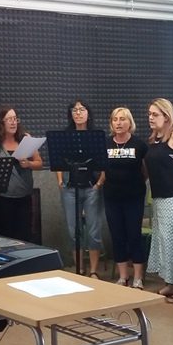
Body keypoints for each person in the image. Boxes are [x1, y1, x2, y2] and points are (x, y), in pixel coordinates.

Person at [145, 98, 173, 303]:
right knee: (163, 241)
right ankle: (171, 281)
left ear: (166, 116)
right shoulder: (154, 139)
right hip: (159, 197)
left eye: (155, 114)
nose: (150, 118)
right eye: (149, 114)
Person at [56, 99, 105, 277]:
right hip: (70, 187)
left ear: (88, 113)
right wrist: (60, 181)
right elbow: (58, 160)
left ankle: (93, 270)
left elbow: (104, 162)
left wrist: (99, 183)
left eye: (82, 109)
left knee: (93, 230)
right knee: (73, 230)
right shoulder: (64, 136)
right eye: (74, 110)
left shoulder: (96, 136)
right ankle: (80, 269)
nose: (78, 112)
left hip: (92, 186)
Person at [0, 105, 43, 242]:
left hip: (23, 199)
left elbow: (39, 163)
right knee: (2, 237)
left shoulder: (25, 139)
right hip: (1, 200)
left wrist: (29, 164)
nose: (13, 122)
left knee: (22, 237)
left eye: (15, 119)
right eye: (9, 119)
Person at [104, 107, 148, 287]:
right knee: (117, 235)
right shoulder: (105, 144)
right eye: (115, 119)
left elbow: (145, 171)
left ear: (130, 123)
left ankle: (138, 277)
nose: (118, 123)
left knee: (134, 235)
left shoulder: (139, 145)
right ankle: (123, 276)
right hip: (111, 197)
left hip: (134, 197)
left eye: (122, 119)